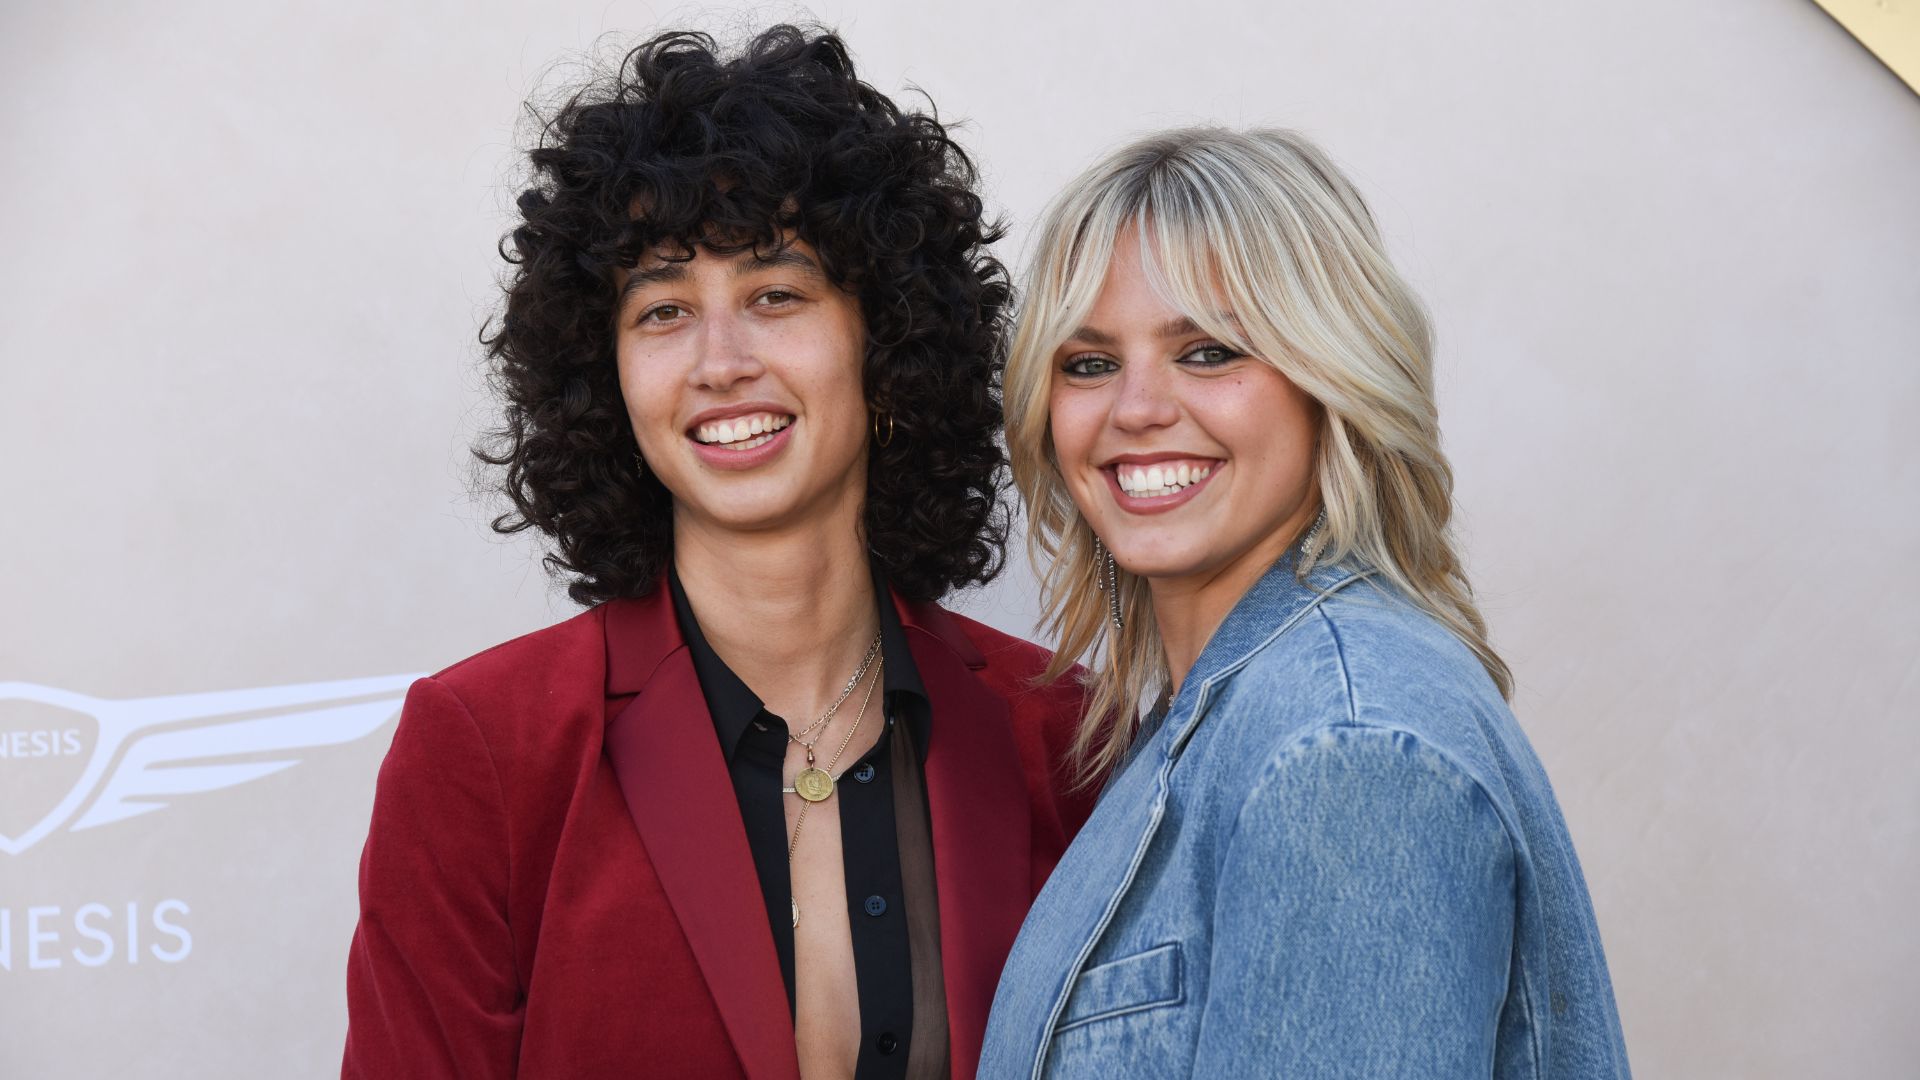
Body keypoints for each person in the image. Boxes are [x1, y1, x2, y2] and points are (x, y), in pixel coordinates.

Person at [342, 26, 1093, 1080]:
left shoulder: (1062, 737)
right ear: (603, 379)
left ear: (887, 340)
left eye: (776, 295)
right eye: (662, 311)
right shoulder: (486, 753)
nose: (720, 362)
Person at [978, 128, 1633, 1078]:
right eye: (1088, 363)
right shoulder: (1217, 716)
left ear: (1333, 380)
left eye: (1207, 351)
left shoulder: (1343, 748)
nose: (1135, 409)